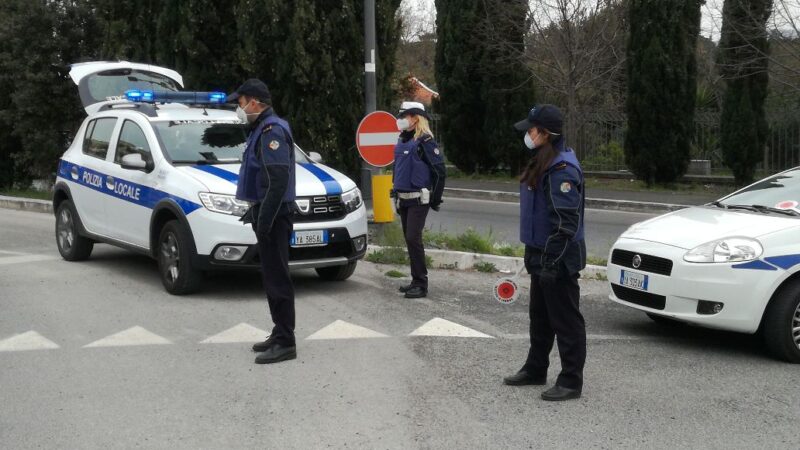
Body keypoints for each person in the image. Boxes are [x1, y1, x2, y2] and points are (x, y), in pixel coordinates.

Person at [503, 104, 587, 401]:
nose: (527, 134)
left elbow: (565, 223)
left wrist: (551, 260)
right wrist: (533, 254)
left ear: (546, 134)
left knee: (565, 320)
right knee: (539, 317)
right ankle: (536, 368)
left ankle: (570, 381)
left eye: (531, 129)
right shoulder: (542, 161)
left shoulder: (561, 169)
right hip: (542, 254)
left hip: (559, 257)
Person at [228, 79, 297, 365]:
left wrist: (265, 220)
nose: (239, 108)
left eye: (241, 102)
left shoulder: (272, 130)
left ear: (255, 102)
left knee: (277, 277)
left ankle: (285, 341)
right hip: (267, 214)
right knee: (271, 277)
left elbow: (278, 180)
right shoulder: (260, 129)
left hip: (275, 216)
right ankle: (278, 331)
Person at [391, 101, 446, 299]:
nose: (401, 120)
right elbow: (397, 169)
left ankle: (421, 284)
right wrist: (394, 194)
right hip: (404, 198)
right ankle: (415, 280)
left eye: (404, 116)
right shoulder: (402, 140)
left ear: (415, 118)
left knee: (414, 238)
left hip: (418, 199)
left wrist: (435, 199)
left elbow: (439, 172)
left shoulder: (425, 142)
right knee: (410, 239)